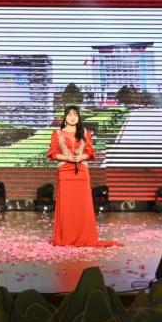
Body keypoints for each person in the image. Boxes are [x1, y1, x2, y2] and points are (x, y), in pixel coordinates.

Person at [46, 105, 118, 247]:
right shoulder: (57, 133)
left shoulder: (85, 133)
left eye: (75, 115)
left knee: (82, 207)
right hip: (65, 172)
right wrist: (67, 158)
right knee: (67, 207)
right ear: (65, 118)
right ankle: (66, 238)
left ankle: (84, 238)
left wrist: (80, 157)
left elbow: (91, 152)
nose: (73, 117)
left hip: (82, 173)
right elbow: (52, 153)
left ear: (79, 118)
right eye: (70, 114)